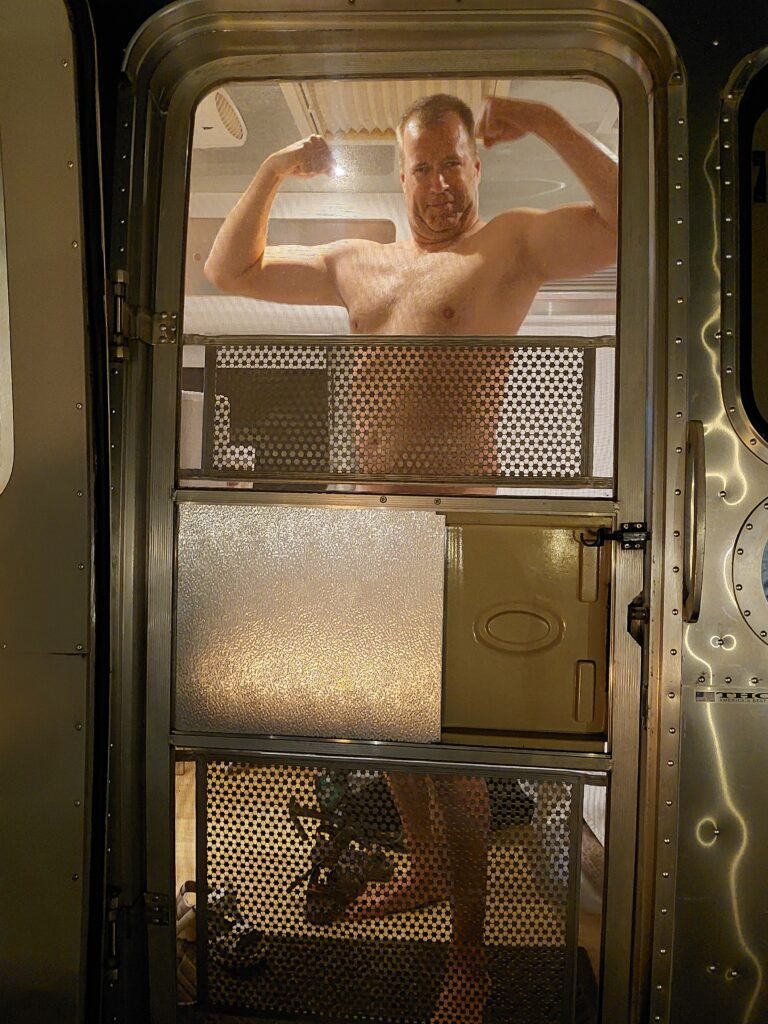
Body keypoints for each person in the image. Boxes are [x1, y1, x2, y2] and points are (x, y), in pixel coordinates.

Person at [205, 92, 617, 1023]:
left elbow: (631, 222)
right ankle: (423, 865)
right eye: (421, 167)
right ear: (400, 174)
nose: (438, 183)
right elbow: (228, 269)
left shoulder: (509, 246)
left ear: (478, 165)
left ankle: (469, 961)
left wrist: (548, 120)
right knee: (382, 727)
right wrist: (273, 168)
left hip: (460, 538)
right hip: (371, 536)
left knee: (457, 764)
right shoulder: (359, 262)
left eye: (452, 162)